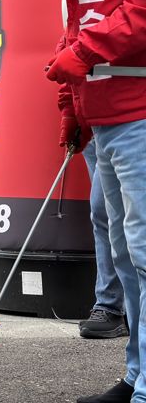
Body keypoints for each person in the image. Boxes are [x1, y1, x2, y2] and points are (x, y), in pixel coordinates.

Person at [16, 0, 146, 402]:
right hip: (109, 117)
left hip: (139, 111)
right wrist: (73, 108)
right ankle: (138, 375)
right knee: (126, 253)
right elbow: (81, 27)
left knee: (143, 253)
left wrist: (85, 54)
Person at [80, 138, 127, 340]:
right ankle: (114, 306)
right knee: (106, 219)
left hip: (123, 122)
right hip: (93, 124)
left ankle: (110, 305)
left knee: (104, 212)